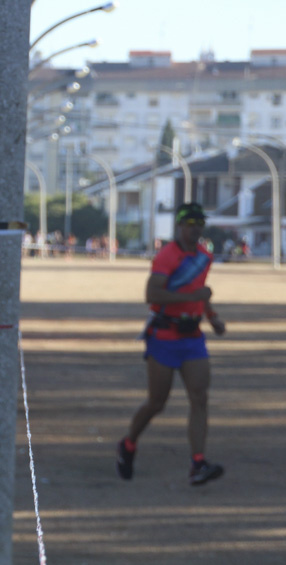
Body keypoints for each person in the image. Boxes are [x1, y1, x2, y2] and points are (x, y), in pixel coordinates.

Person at [116, 201, 226, 486]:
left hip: (193, 338)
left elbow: (199, 293)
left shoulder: (204, 256)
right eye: (190, 224)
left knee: (200, 399)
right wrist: (194, 298)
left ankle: (198, 463)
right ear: (179, 226)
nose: (195, 229)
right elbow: (152, 294)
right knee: (156, 402)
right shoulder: (168, 255)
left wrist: (212, 317)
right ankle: (128, 444)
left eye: (199, 223)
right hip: (164, 336)